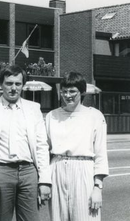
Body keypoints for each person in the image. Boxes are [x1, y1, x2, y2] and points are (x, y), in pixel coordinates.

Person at [0, 65, 51, 221]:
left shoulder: (33, 108)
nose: (13, 88)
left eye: (18, 84)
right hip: (1, 171)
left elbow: (41, 145)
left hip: (29, 172)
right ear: (1, 84)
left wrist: (44, 180)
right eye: (9, 83)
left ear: (23, 85)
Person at [45, 72, 109, 221]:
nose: (68, 95)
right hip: (57, 170)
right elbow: (43, 151)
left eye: (72, 91)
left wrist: (97, 188)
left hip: (84, 170)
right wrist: (45, 181)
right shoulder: (51, 116)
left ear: (82, 92)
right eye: (64, 91)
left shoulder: (94, 116)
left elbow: (100, 153)